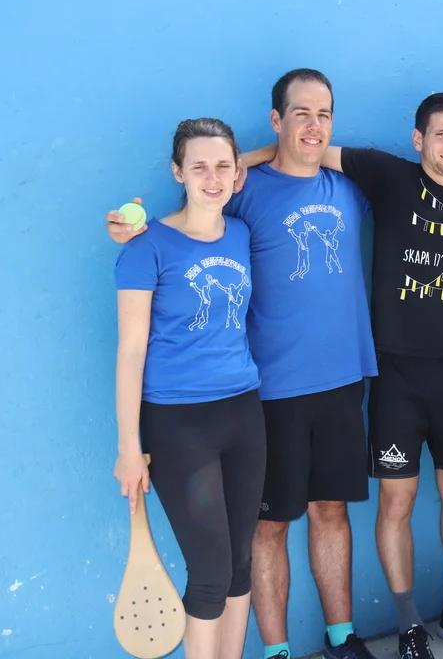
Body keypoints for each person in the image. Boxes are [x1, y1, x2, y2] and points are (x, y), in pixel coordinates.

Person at [236, 91, 443, 658]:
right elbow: (307, 147)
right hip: (389, 372)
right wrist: (239, 161)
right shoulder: (386, 176)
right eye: (439, 134)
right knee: (391, 502)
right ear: (417, 139)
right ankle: (405, 625)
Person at [108, 69, 379, 659]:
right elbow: (134, 340)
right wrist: (130, 221)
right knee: (241, 548)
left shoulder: (317, 197)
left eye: (323, 114)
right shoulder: (203, 217)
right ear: (276, 120)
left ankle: (337, 639)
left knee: (289, 536)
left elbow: (425, 175)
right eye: (300, 113)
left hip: (295, 393)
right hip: (232, 404)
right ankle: (276, 650)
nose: (313, 125)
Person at [113, 118, 265, 659]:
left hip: (244, 413)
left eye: (224, 166)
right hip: (180, 426)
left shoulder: (241, 233)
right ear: (178, 172)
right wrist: (129, 447)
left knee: (240, 564)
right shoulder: (145, 246)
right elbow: (131, 351)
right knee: (210, 572)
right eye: (198, 166)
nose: (212, 177)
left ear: (238, 172)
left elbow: (277, 155)